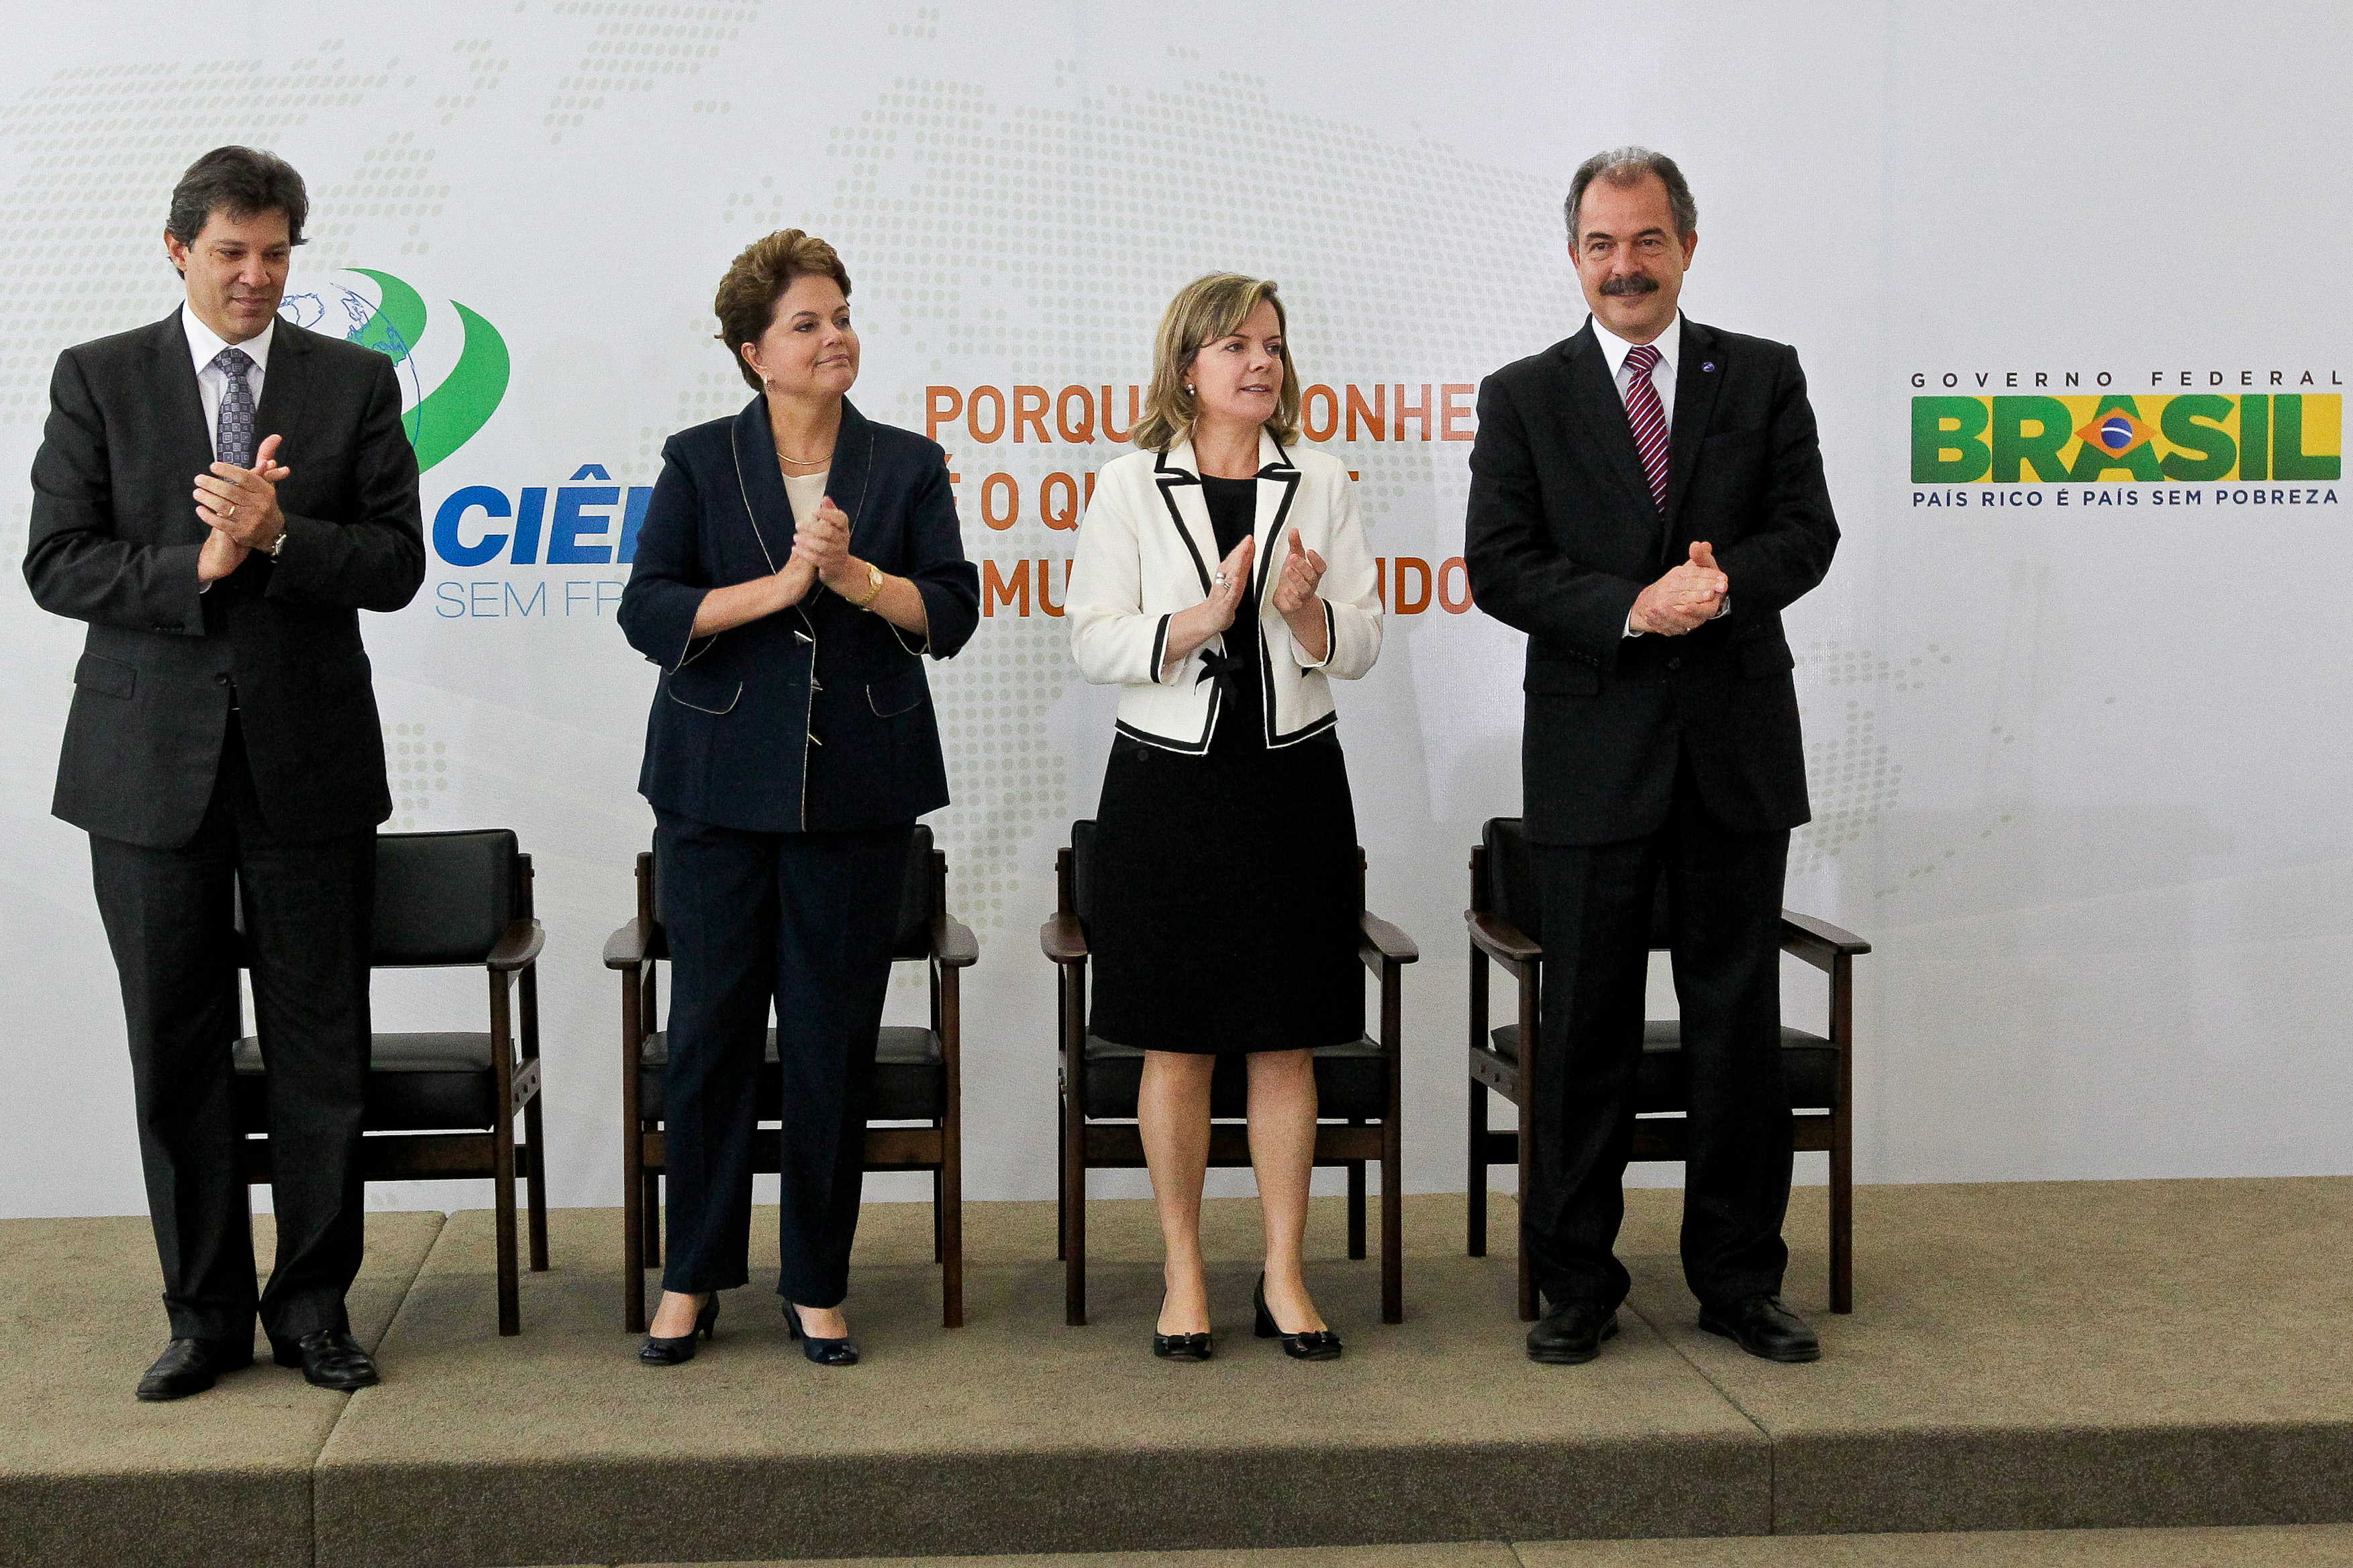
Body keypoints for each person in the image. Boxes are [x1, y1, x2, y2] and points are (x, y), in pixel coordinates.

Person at [23, 146, 425, 1400]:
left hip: (307, 765)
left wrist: (281, 534)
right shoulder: (99, 378)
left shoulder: (354, 382)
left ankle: (313, 1305)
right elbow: (56, 562)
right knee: (177, 1051)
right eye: (233, 252)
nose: (257, 276)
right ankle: (203, 1315)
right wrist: (194, 568)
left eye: (278, 253)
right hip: (145, 773)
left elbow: (396, 563)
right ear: (178, 250)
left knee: (321, 1052)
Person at [1465, 148, 1840, 1366]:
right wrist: (1636, 606)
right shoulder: (1523, 394)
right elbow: (1501, 566)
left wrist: (1713, 590)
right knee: (1584, 1035)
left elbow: (1807, 532)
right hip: (1591, 759)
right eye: (1598, 244)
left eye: (1644, 241)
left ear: (1685, 244)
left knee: (1735, 1026)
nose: (1622, 266)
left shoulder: (1764, 375)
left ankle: (1739, 1279)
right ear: (1571, 254)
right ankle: (1576, 1280)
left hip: (1733, 754)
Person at [618, 229, 978, 1368]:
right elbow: (649, 612)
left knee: (831, 1043)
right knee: (710, 1040)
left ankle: (817, 1280)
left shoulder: (906, 463)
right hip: (714, 793)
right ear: (753, 352)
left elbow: (953, 616)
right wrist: (780, 585)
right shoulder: (695, 459)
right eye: (808, 324)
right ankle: (692, 1277)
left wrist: (859, 579)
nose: (836, 337)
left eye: (842, 315)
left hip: (860, 799)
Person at [1066, 273, 1383, 1362]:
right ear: (1186, 365)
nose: (1260, 363)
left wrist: (1303, 611)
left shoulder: (1324, 479)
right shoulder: (1125, 485)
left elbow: (1364, 641)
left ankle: (1285, 1274)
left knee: (1285, 1035)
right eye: (1236, 345)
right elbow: (1092, 639)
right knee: (1178, 1038)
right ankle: (1183, 1270)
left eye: (1274, 345)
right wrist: (1197, 619)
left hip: (1291, 782)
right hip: (1167, 789)